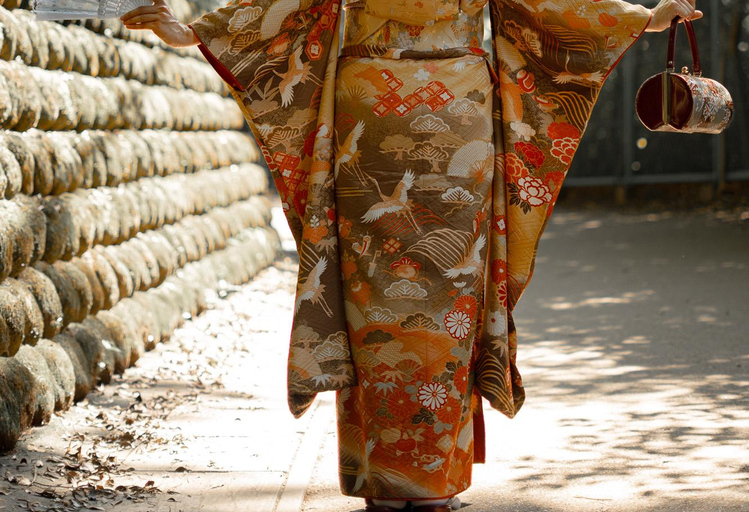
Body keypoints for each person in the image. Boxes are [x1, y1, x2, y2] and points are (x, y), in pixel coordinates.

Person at [122, 0, 702, 510]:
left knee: (368, 287)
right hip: (458, 112)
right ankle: (432, 478)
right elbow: (544, 9)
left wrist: (197, 31)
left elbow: (288, 7)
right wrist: (643, 19)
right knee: (448, 289)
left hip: (369, 104)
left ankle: (379, 472)